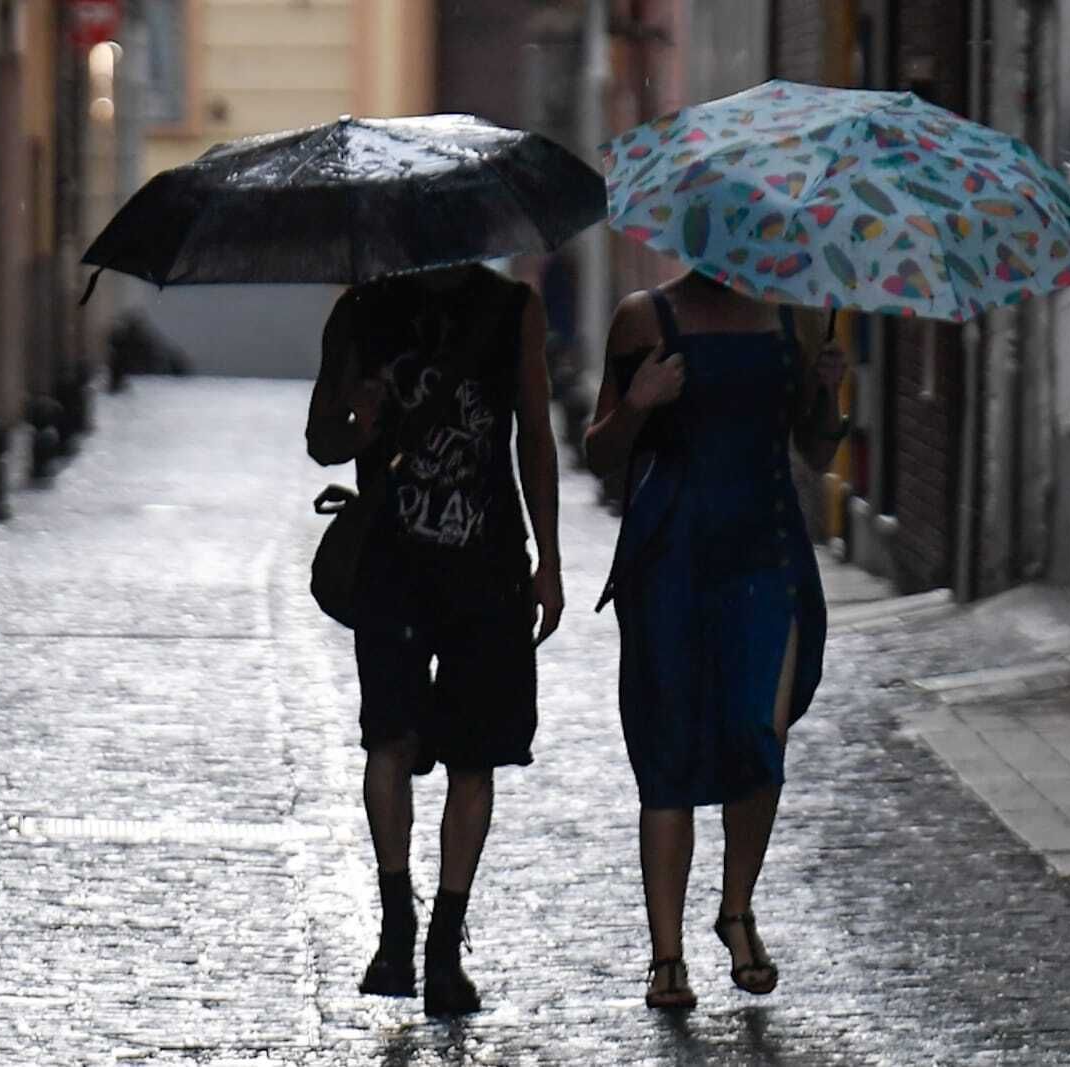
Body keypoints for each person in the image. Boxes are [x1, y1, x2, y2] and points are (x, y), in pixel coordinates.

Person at [305, 262, 564, 1017]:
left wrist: (548, 560)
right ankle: (396, 927)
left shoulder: (512, 309)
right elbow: (322, 440)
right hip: (392, 562)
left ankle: (444, 945)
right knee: (387, 738)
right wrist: (357, 411)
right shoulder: (360, 312)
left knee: (474, 754)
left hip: (486, 564)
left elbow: (535, 438)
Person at [584, 268, 846, 1010]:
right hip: (671, 560)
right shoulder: (645, 316)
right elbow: (601, 450)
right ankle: (665, 953)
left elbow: (818, 453)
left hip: (766, 558)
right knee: (667, 750)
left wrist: (828, 391)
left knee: (758, 739)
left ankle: (736, 909)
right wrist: (637, 405)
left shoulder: (789, 320)